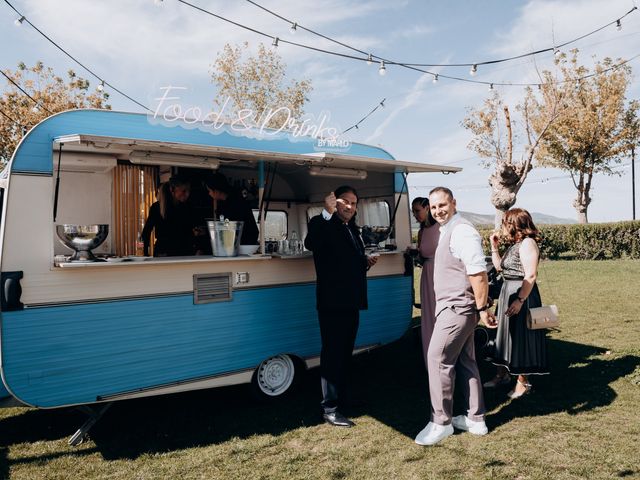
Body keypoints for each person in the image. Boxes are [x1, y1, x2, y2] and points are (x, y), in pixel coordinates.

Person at [415, 187, 496, 446]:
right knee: (465, 361)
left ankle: (441, 422)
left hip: (458, 309)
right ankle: (475, 419)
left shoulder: (461, 230)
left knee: (437, 359)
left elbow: (478, 273)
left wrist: (482, 309)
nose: (438, 210)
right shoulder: (446, 229)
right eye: (434, 206)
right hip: (455, 308)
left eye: (442, 205)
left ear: (454, 203)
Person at [304, 186, 378, 427]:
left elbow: (345, 260)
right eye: (345, 201)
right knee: (333, 353)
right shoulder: (321, 222)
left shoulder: (351, 229)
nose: (350, 206)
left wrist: (365, 262)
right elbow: (312, 243)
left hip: (351, 301)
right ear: (334, 202)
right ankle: (329, 408)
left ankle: (342, 398)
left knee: (345, 352)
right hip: (332, 302)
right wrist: (326, 212)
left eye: (354, 203)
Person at [484, 208, 549, 398]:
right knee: (504, 336)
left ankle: (523, 382)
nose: (502, 226)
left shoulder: (528, 243)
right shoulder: (515, 244)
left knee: (522, 337)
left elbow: (530, 275)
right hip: (508, 292)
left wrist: (520, 300)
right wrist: (494, 247)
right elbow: (499, 267)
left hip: (523, 294)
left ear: (514, 224)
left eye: (505, 222)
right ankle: (502, 375)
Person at [411, 197, 440, 369]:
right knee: (428, 315)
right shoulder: (422, 231)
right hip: (427, 275)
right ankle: (431, 358)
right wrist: (415, 254)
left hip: (442, 274)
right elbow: (422, 258)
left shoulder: (441, 228)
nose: (415, 215)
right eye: (413, 212)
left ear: (427, 208)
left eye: (417, 210)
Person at [141, 175, 199, 257]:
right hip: (166, 251)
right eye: (184, 191)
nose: (187, 194)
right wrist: (145, 253)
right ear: (172, 190)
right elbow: (146, 231)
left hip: (184, 250)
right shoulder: (157, 207)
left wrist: (197, 247)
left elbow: (192, 229)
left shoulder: (187, 207)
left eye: (189, 191)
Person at [203, 173, 259, 246]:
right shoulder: (224, 203)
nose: (209, 194)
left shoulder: (236, 202)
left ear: (216, 191)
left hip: (244, 245)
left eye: (209, 191)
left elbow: (235, 229)